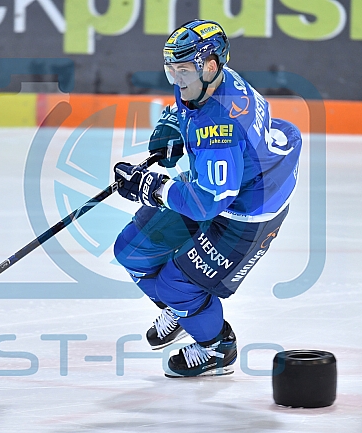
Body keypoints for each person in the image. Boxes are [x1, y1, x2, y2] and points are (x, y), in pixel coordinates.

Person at [112, 20, 302, 377]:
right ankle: (187, 309)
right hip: (225, 185)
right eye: (172, 70)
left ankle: (217, 347)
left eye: (183, 71)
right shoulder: (207, 83)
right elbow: (187, 112)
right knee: (132, 251)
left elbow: (206, 204)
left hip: (247, 212)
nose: (177, 80)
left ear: (211, 65)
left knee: (175, 284)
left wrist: (150, 188)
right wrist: (171, 126)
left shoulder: (219, 128)